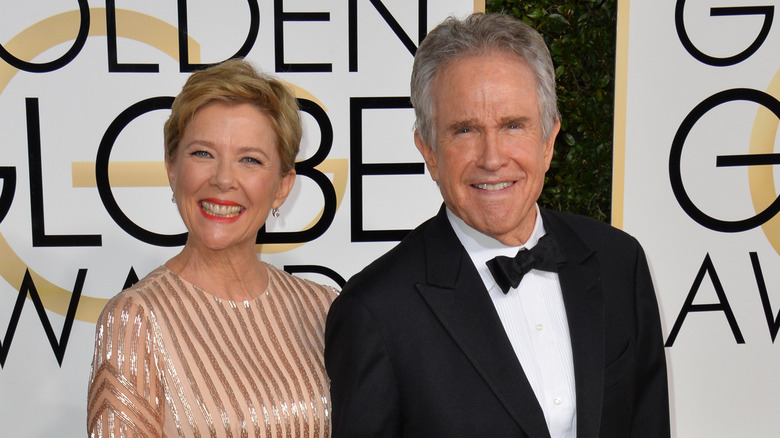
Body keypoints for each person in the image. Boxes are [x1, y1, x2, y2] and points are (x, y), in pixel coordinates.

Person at [325, 13, 669, 438]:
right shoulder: (375, 311)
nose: (492, 158)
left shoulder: (619, 260)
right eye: (465, 130)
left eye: (512, 126)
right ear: (429, 150)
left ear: (548, 140)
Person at [87, 59, 337, 437]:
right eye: (202, 153)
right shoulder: (135, 320)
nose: (223, 179)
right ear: (172, 167)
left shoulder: (323, 309)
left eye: (250, 160)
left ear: (283, 185)